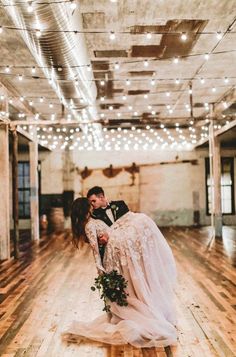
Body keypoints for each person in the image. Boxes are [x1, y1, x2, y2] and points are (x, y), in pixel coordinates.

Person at [65, 197, 177, 348]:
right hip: (116, 249)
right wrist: (101, 272)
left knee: (142, 224)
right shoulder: (89, 226)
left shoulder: (92, 221)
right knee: (142, 223)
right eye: (89, 205)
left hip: (116, 246)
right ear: (84, 210)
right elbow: (96, 252)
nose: (92, 207)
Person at [87, 186, 129, 259]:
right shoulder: (94, 216)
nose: (92, 204)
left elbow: (128, 224)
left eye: (94, 201)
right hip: (112, 251)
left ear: (101, 197)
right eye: (90, 202)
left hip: (127, 245)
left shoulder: (120, 204)